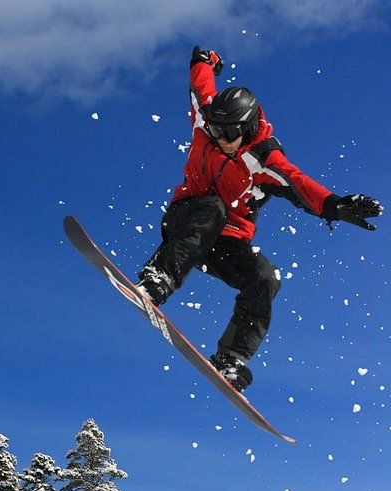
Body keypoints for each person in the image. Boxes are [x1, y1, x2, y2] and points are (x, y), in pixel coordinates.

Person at [137, 45, 382, 391]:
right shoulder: (207, 121)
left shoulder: (265, 159)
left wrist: (335, 206)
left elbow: (298, 183)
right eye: (216, 132)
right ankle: (159, 277)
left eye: (229, 135)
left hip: (224, 243)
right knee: (213, 208)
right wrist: (204, 61)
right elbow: (200, 85)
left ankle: (231, 359)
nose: (220, 140)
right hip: (185, 220)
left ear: (248, 127)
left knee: (265, 278)